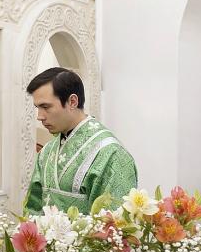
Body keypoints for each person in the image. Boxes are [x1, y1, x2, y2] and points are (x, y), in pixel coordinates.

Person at [24, 67, 138, 214]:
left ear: (72, 101)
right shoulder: (47, 151)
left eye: (46, 107)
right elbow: (32, 209)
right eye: (37, 108)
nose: (39, 116)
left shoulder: (111, 154)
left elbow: (114, 222)